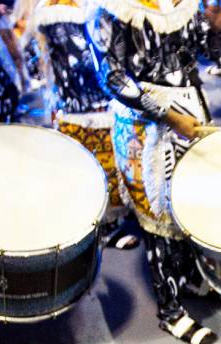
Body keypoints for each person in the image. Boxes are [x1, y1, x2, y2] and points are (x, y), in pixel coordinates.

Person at [90, 0, 221, 344]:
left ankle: (188, 280)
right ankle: (171, 312)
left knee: (189, 205)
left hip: (189, 112)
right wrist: (165, 113)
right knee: (159, 220)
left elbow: (207, 54)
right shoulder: (112, 9)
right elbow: (111, 75)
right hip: (145, 125)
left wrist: (217, 28)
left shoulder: (185, 4)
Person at [31, 0, 138, 249]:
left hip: (98, 103)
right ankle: (103, 225)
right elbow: (81, 60)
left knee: (115, 166)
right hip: (82, 105)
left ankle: (118, 220)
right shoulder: (56, 13)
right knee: (92, 170)